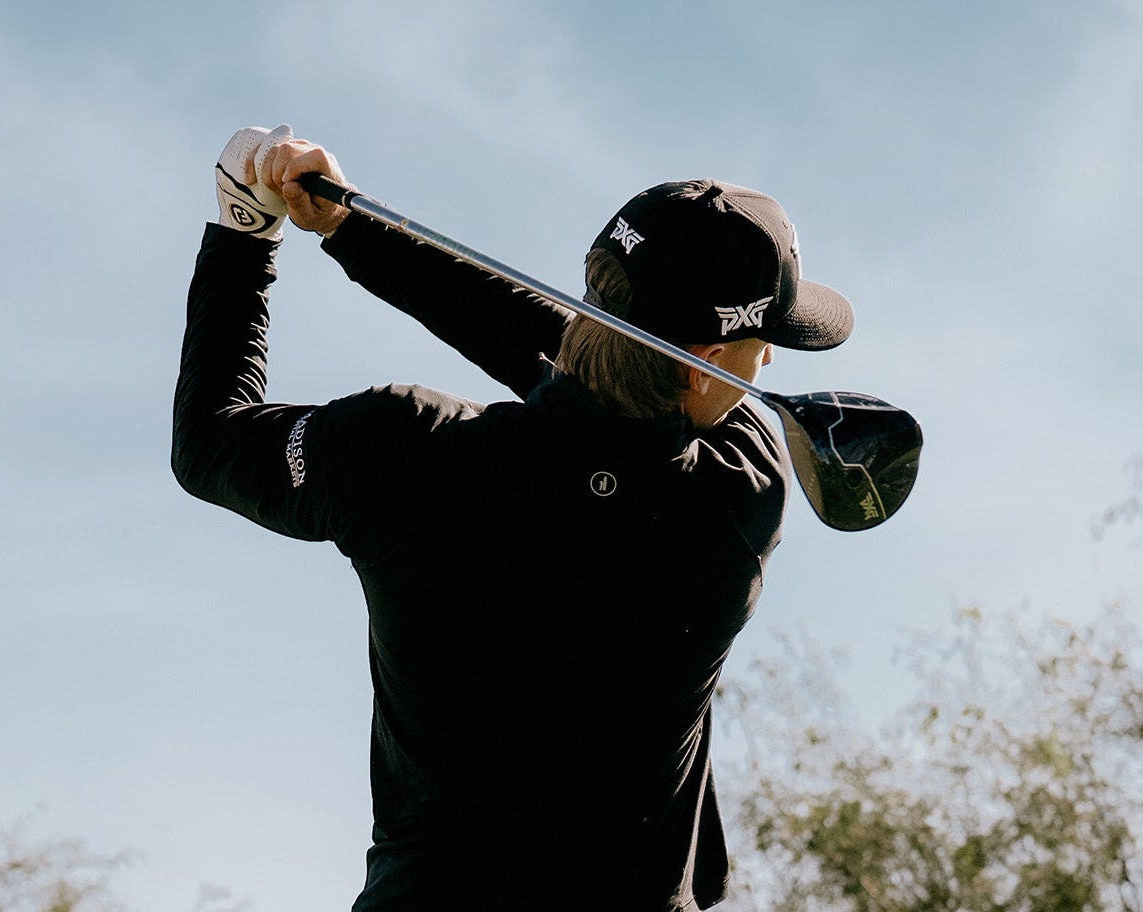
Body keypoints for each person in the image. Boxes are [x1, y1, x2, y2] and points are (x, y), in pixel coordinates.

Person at [173, 124, 855, 912]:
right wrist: (354, 230)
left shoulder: (401, 450)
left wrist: (250, 229)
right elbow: (573, 363)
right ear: (702, 368)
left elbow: (211, 443)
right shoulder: (739, 492)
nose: (766, 362)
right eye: (758, 342)